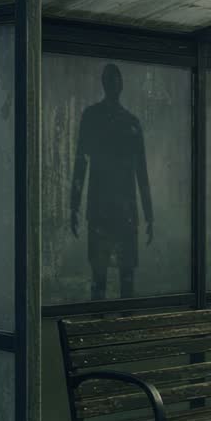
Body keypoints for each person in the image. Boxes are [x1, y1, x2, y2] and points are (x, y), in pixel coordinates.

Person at [70, 63, 154, 300]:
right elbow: (141, 173)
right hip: (118, 212)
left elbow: (81, 164)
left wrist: (73, 206)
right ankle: (116, 320)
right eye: (112, 81)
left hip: (106, 211)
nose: (114, 85)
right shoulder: (129, 123)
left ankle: (106, 319)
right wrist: (149, 214)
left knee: (107, 279)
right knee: (117, 280)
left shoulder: (95, 118)